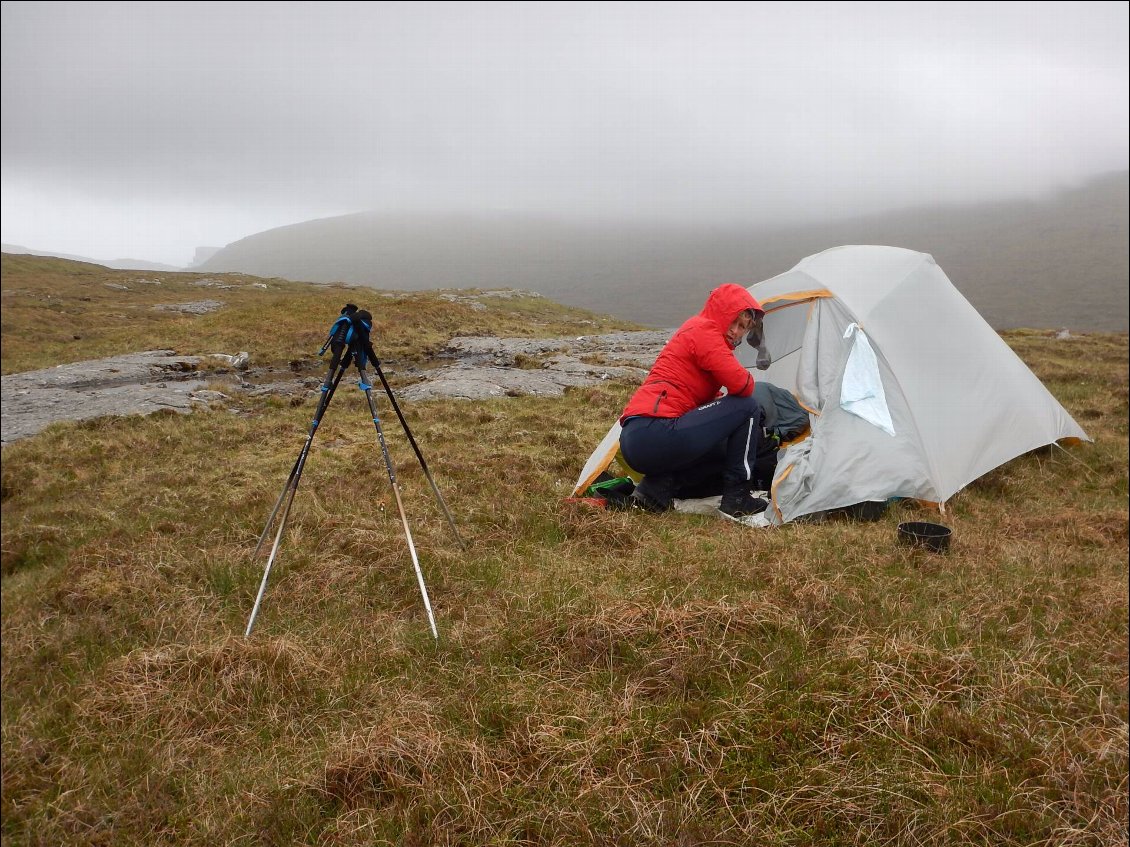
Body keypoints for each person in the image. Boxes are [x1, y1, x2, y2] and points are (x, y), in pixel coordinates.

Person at [619, 283, 769, 519]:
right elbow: (743, 385)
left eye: (743, 327)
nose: (737, 332)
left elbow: (702, 402)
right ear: (721, 314)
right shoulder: (704, 332)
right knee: (747, 407)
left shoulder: (697, 331)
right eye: (734, 322)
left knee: (726, 440)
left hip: (640, 437)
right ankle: (737, 497)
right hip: (654, 430)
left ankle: (654, 491)